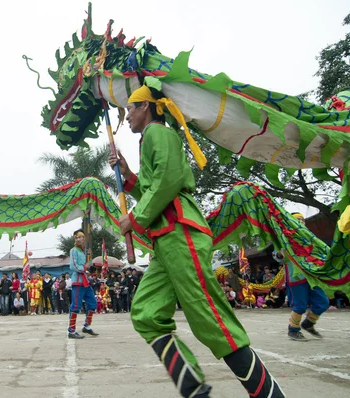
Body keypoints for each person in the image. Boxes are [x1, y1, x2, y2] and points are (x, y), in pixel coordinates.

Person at [109, 83, 284, 397]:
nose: (128, 116)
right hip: (165, 239)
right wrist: (129, 176)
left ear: (146, 107)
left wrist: (134, 219)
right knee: (146, 312)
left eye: (131, 108)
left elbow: (169, 181)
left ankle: (268, 393)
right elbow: (154, 187)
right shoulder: (149, 139)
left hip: (181, 232)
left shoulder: (158, 134)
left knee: (208, 315)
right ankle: (193, 388)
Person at [67, 230, 98, 339]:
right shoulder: (73, 250)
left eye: (81, 237)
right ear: (75, 239)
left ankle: (87, 326)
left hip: (85, 281)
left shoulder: (83, 252)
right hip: (78, 282)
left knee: (93, 304)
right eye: (77, 237)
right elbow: (73, 266)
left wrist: (89, 261)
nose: (80, 239)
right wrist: (85, 267)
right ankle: (71, 330)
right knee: (75, 307)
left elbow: (85, 266)